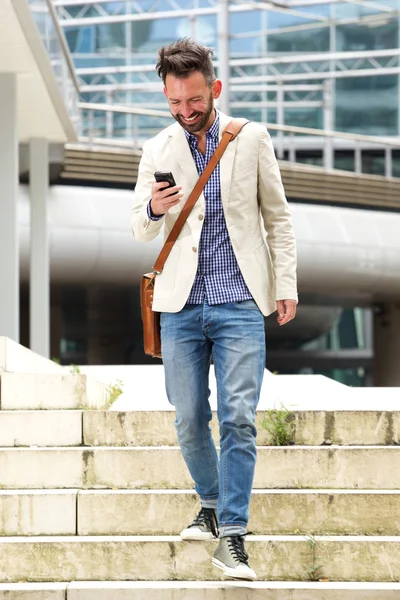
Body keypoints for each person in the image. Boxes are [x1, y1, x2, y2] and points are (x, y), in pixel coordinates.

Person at [131, 38, 297, 581]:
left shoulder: (249, 139)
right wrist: (154, 208)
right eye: (175, 103)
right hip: (180, 305)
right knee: (187, 418)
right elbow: (138, 226)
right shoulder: (158, 147)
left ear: (214, 88)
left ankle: (232, 536)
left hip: (242, 302)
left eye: (194, 101)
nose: (185, 111)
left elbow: (278, 219)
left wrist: (286, 285)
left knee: (239, 419)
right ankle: (208, 500)